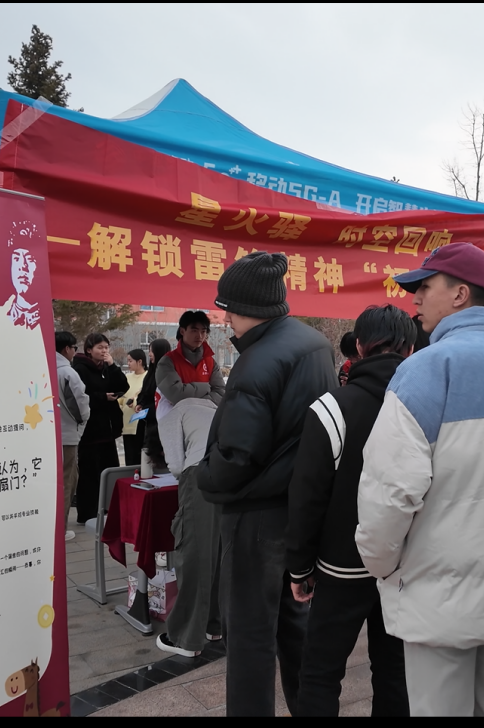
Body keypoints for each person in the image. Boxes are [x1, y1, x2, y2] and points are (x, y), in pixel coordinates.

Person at [355, 243, 484, 717]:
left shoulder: (422, 371)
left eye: (424, 286)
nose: (415, 299)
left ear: (459, 294)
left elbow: (389, 492)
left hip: (439, 599)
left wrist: (382, 565)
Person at [193, 252, 338, 717]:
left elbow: (238, 455)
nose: (225, 319)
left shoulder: (258, 361)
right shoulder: (314, 345)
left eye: (228, 309)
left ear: (248, 307)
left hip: (255, 515)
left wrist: (203, 475)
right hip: (300, 507)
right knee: (295, 622)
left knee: (250, 633)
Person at [286, 305, 415, 717]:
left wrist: (299, 567)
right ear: (410, 349)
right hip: (404, 565)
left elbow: (307, 495)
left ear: (358, 347)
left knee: (321, 672)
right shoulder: (423, 405)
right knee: (395, 670)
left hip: (342, 566)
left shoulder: (330, 408)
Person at [155, 396, 222, 658]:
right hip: (229, 474)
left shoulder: (173, 411)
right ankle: (214, 626)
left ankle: (186, 637)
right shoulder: (214, 405)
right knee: (218, 551)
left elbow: (175, 464)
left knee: (194, 551)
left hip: (199, 476)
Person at [71, 333, 128, 524]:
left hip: (107, 430)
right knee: (89, 473)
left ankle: (108, 509)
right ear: (89, 350)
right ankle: (87, 513)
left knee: (109, 470)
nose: (104, 351)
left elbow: (123, 385)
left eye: (106, 347)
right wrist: (103, 397)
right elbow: (80, 397)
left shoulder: (106, 367)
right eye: (100, 347)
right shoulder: (80, 369)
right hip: (89, 431)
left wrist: (112, 366)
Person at [155, 310, 225, 422]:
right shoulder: (167, 362)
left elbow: (220, 394)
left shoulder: (210, 362)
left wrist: (194, 402)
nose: (200, 336)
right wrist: (206, 388)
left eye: (203, 331)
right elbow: (177, 395)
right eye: (194, 330)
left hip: (206, 421)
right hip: (177, 423)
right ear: (182, 331)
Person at [54, 331, 91, 542]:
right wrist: (83, 420)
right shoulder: (68, 372)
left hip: (50, 435)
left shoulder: (46, 367)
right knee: (67, 481)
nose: (75, 352)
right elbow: (80, 404)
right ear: (67, 348)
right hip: (67, 435)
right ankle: (60, 529)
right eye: (74, 348)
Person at [138, 338, 173, 473]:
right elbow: (144, 392)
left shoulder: (168, 374)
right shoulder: (151, 373)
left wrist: (147, 410)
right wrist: (140, 404)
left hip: (161, 422)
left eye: (151, 351)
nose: (149, 354)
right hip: (149, 423)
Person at [119, 349, 148, 467]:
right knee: (129, 460)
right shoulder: (127, 377)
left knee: (140, 460)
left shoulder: (148, 377)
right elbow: (121, 398)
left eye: (130, 361)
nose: (128, 364)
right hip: (127, 424)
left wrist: (135, 402)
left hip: (140, 425)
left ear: (139, 361)